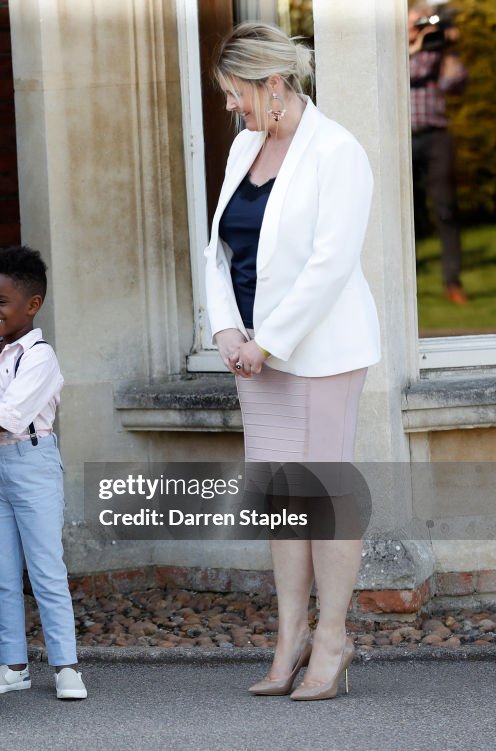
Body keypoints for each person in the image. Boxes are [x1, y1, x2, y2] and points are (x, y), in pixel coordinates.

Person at [204, 23, 380, 700]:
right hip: (255, 356)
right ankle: (289, 642)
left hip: (322, 352)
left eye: (234, 93)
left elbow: (330, 265)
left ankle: (332, 639)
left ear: (272, 84)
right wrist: (226, 328)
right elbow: (217, 246)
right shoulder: (244, 148)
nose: (230, 107)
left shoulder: (338, 151)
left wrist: (267, 339)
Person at [0, 246, 87, 701]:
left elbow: (8, 414)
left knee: (45, 567)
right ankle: (13, 664)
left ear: (32, 304)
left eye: (2, 301)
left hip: (32, 464)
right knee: (1, 572)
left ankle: (66, 666)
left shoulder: (40, 357)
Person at [408, 3, 468, 304]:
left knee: (445, 210)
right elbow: (404, 73)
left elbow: (454, 83)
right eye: (414, 22)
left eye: (421, 23)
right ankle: (406, 282)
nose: (417, 27)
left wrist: (450, 51)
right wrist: (416, 46)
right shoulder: (394, 55)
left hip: (435, 137)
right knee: (405, 214)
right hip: (402, 142)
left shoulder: (435, 49)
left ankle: (452, 282)